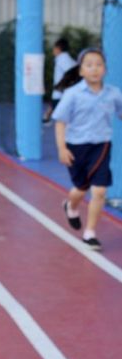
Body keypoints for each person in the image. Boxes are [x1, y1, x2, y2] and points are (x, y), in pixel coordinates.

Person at [52, 47, 122, 251]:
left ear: (105, 70)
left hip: (101, 146)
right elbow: (60, 122)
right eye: (89, 65)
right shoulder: (72, 94)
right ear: (81, 70)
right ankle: (70, 206)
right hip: (76, 147)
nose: (94, 69)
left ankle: (90, 233)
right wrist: (62, 148)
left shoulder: (113, 93)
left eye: (99, 65)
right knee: (80, 189)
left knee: (99, 190)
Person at [43, 38, 77, 125]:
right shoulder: (63, 58)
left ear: (58, 48)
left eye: (54, 48)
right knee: (54, 103)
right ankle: (46, 117)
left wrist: (62, 84)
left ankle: (47, 118)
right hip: (61, 91)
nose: (53, 50)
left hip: (62, 91)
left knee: (58, 107)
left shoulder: (63, 58)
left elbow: (71, 71)